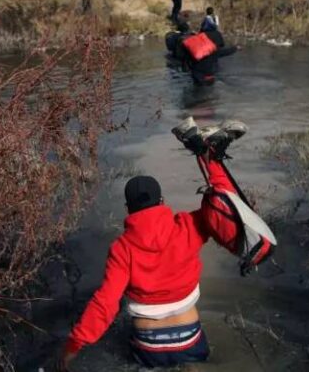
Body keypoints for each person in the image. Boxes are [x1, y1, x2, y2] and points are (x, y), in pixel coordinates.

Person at [57, 118, 274, 370]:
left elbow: (105, 303)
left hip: (149, 345)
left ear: (129, 209)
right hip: (189, 338)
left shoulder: (121, 248)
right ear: (162, 201)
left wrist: (74, 345)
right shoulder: (187, 226)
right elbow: (221, 205)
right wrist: (209, 160)